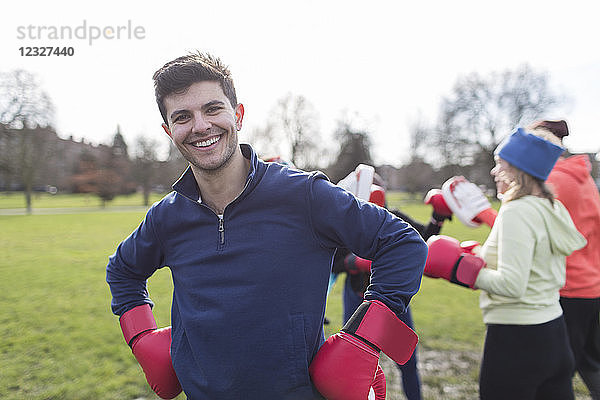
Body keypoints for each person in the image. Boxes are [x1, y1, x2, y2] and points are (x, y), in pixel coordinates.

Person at [105, 51, 428, 400]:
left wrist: (363, 338)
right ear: (169, 131)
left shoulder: (303, 194)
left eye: (212, 109)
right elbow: (123, 270)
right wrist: (141, 339)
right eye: (183, 117)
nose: (200, 126)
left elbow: (402, 243)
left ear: (238, 115)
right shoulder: (166, 217)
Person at [424, 127, 587, 399]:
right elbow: (533, 262)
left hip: (517, 339)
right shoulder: (550, 206)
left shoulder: (517, 211)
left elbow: (512, 284)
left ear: (518, 169)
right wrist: (479, 255)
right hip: (554, 333)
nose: (493, 171)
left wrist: (458, 269)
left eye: (500, 164)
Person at [331, 168, 452, 400]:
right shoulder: (347, 223)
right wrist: (355, 262)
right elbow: (333, 261)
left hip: (393, 300)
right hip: (357, 297)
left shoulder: (393, 217)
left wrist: (437, 217)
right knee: (353, 360)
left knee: (406, 360)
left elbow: (422, 240)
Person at [527, 119, 600, 400]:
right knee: (590, 363)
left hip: (568, 287)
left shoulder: (553, 181)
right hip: (591, 286)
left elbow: (526, 233)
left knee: (555, 373)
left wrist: (482, 212)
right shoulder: (583, 178)